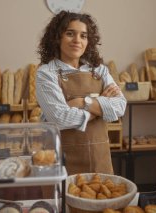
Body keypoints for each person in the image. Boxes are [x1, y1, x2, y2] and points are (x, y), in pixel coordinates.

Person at [36, 10, 127, 175]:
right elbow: (60, 118)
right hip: (61, 161)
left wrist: (83, 103)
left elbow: (120, 107)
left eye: (83, 36)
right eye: (70, 34)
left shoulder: (99, 70)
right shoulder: (46, 73)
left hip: (100, 158)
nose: (77, 40)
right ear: (57, 38)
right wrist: (99, 108)